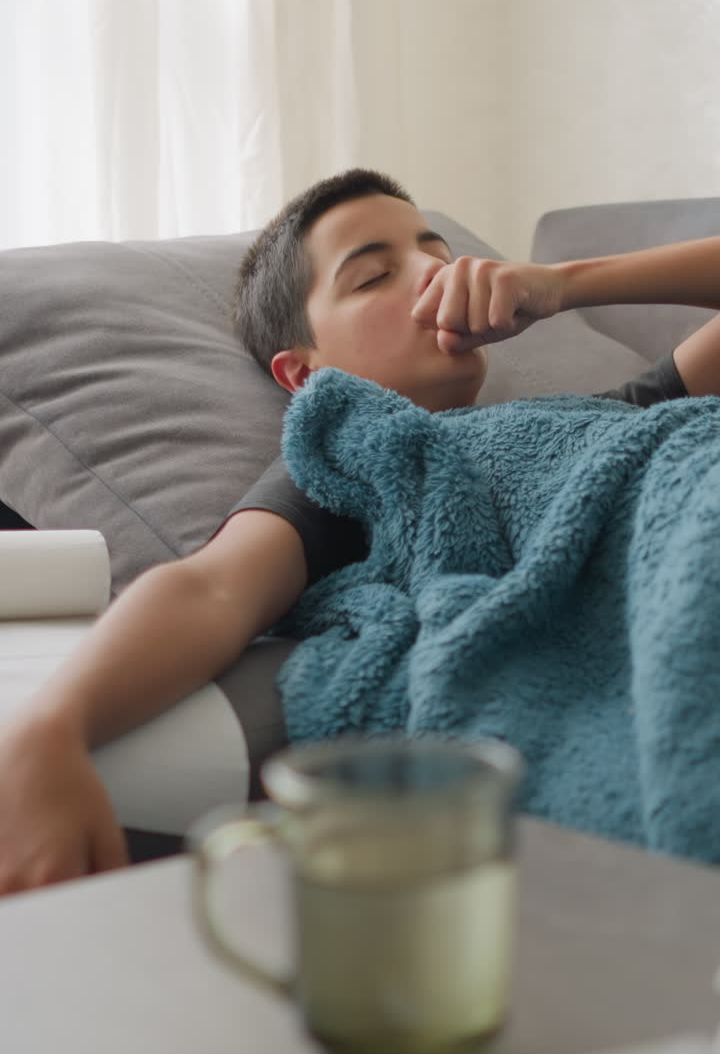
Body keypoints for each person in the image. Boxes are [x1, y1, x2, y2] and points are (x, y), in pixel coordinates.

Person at [1, 168, 719, 895]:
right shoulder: (351, 461)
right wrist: (49, 731)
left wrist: (565, 285)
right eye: (375, 275)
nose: (437, 274)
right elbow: (212, 588)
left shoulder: (612, 417)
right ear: (303, 374)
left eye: (436, 254)